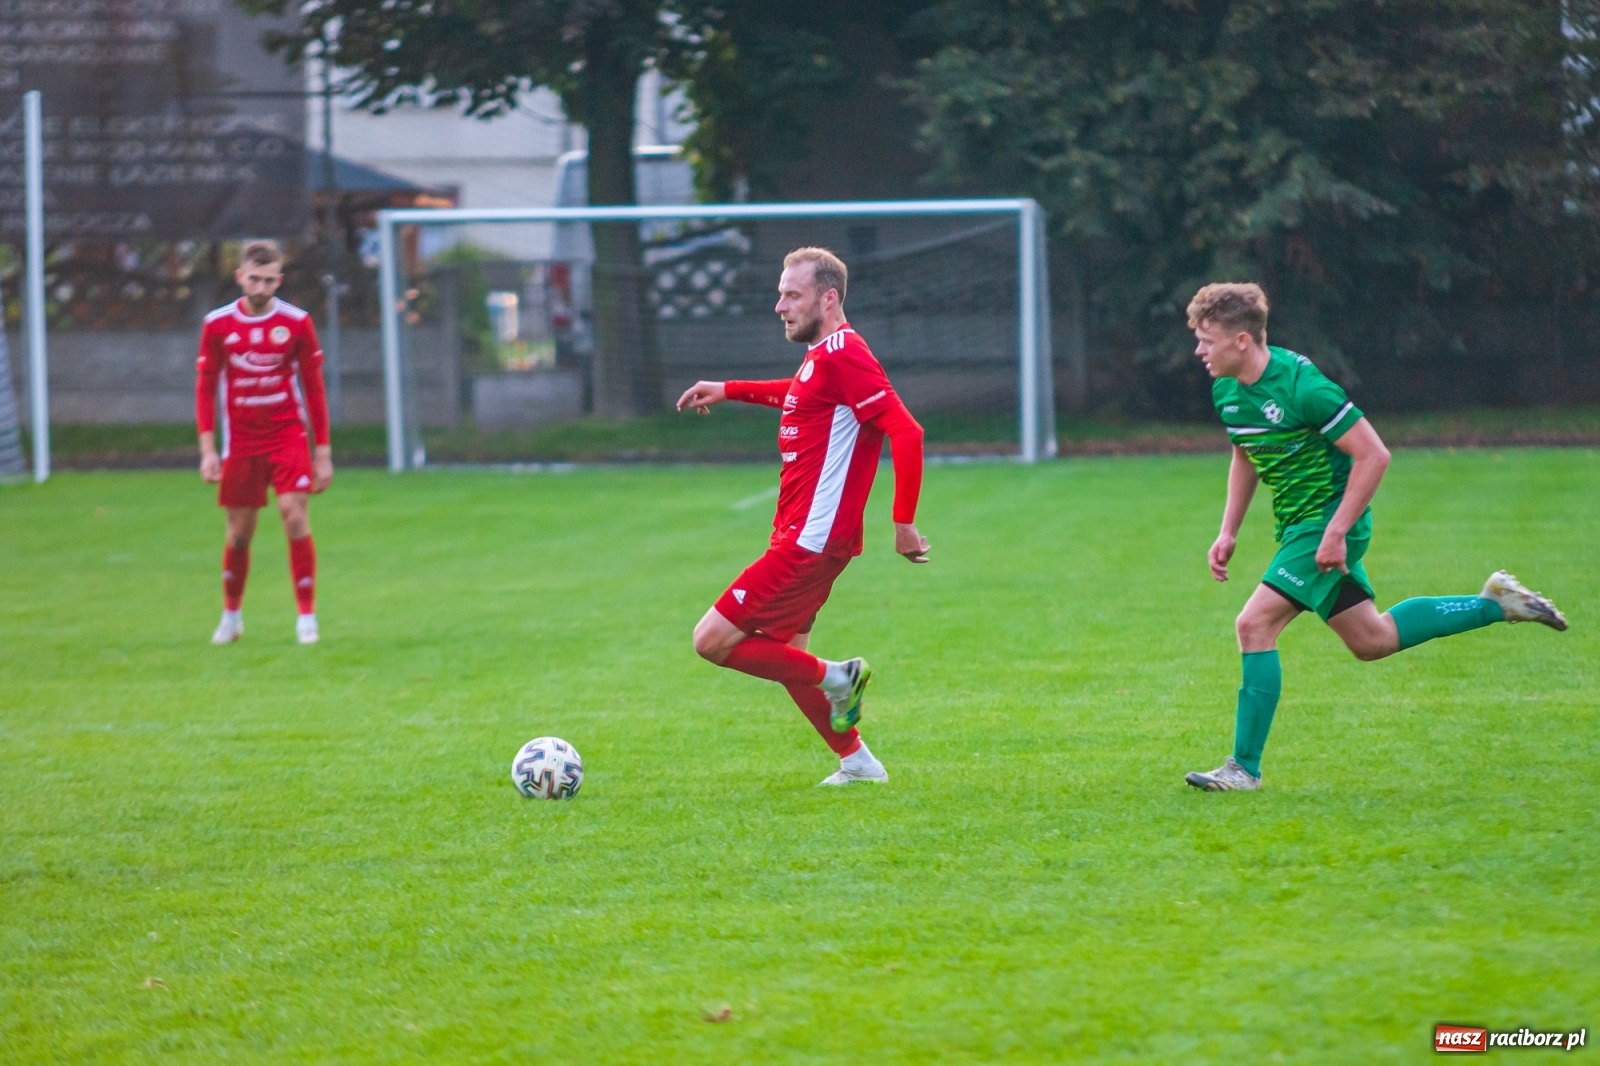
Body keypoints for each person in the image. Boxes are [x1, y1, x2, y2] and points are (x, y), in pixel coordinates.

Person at [1183, 282, 1567, 791]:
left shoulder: (1303, 387)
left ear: (1242, 342)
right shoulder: (1227, 390)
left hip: (1328, 522)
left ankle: (1243, 770)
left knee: (1254, 625)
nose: (1198, 351)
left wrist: (1337, 532)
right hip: (1300, 527)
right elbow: (1243, 454)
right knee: (1372, 640)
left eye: (1207, 340)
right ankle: (1498, 605)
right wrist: (1228, 530)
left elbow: (1374, 454)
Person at [676, 247, 929, 786]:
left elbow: (906, 430)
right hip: (807, 536)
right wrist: (730, 390)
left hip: (809, 542)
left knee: (712, 641)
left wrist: (903, 522)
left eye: (792, 295)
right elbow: (801, 396)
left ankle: (842, 678)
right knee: (787, 652)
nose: (779, 305)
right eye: (780, 293)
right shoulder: (824, 356)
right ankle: (859, 764)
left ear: (828, 298)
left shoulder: (844, 353)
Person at [195, 240, 333, 646]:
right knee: (240, 532)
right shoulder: (218, 325)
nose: (260, 289)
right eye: (253, 279)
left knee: (293, 515)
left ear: (279, 280)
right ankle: (232, 616)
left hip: (288, 434)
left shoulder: (296, 323)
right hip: (241, 442)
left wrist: (322, 454)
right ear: (240, 277)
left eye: (269, 281)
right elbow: (205, 389)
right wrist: (207, 450)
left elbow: (314, 388)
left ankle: (306, 618)